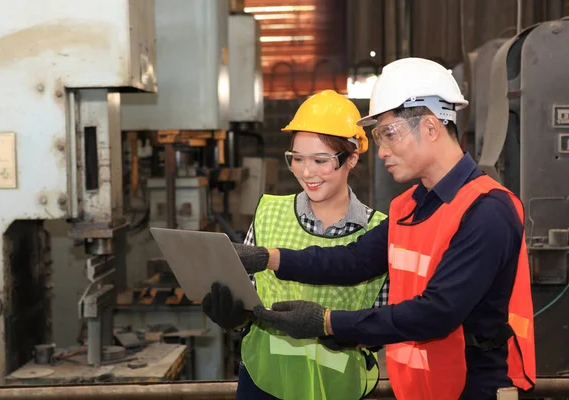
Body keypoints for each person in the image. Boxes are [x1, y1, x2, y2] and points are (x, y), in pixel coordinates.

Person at [228, 58, 536, 400]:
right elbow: (354, 261)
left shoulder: (487, 210)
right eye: (378, 137)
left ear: (431, 128)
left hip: (474, 387)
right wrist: (267, 258)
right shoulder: (410, 207)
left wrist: (327, 322)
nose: (382, 151)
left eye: (389, 135)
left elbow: (437, 313)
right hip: (423, 388)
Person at [202, 90, 389, 400]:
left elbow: (384, 324)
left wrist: (344, 334)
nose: (306, 172)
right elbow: (245, 297)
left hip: (338, 392)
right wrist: (235, 318)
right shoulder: (268, 214)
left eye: (320, 160)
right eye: (297, 159)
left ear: (352, 158)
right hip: (262, 386)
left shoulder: (378, 233)